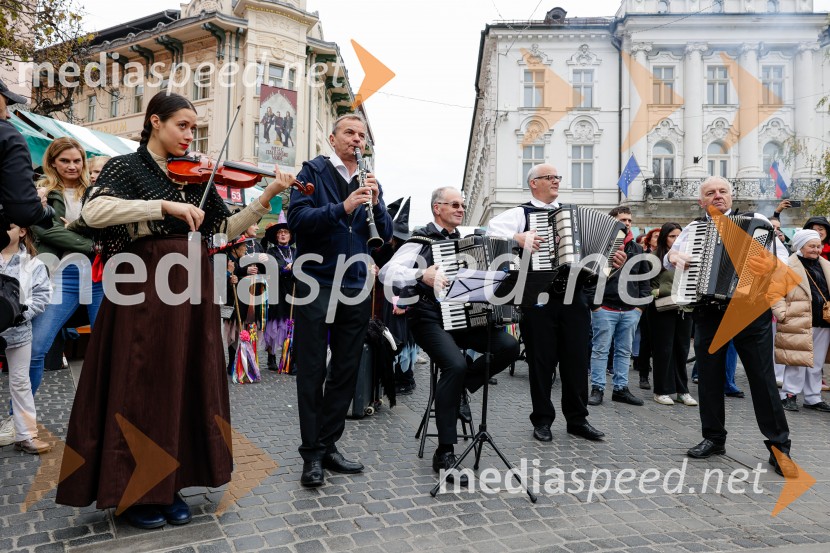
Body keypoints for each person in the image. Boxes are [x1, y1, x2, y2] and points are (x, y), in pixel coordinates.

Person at [55, 92, 294, 528]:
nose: (189, 134)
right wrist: (164, 205)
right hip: (145, 282)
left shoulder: (196, 178)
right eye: (182, 125)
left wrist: (269, 196)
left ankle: (172, 484)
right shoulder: (125, 166)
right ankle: (137, 491)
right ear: (155, 122)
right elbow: (95, 209)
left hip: (194, 283)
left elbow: (223, 228)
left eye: (192, 127)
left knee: (186, 379)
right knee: (142, 379)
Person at [381, 187, 520, 483]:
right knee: (454, 365)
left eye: (462, 204)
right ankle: (444, 451)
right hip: (428, 319)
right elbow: (387, 273)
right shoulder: (420, 240)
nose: (460, 208)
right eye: (454, 204)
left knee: (509, 345)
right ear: (437, 208)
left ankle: (460, 390)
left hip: (464, 319)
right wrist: (422, 275)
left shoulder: (471, 243)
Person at [287, 113, 393, 488]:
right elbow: (296, 218)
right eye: (349, 133)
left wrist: (377, 205)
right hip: (315, 281)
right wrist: (343, 207)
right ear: (332, 139)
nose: (356, 140)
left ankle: (328, 444)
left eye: (362, 135)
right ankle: (311, 455)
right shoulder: (312, 171)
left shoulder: (368, 179)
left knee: (346, 369)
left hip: (356, 283)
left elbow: (387, 234)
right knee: (313, 369)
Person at [665, 176, 796, 477]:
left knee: (762, 380)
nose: (717, 196)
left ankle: (780, 448)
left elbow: (783, 260)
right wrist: (674, 255)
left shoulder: (757, 221)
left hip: (750, 311)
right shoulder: (694, 228)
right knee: (709, 378)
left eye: (722, 191)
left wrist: (770, 265)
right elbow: (670, 259)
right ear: (701, 201)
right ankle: (713, 438)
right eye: (710, 193)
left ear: (731, 196)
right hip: (709, 312)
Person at [486, 163, 624, 443]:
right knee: (541, 362)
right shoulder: (519, 214)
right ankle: (542, 420)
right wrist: (517, 237)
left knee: (576, 361)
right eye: (549, 177)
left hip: (575, 297)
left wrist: (613, 263)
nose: (555, 181)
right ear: (533, 183)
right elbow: (488, 234)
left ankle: (577, 419)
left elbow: (596, 263)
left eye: (557, 177)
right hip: (538, 297)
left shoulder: (574, 215)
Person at [30, 138, 103, 390]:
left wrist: (68, 229)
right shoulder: (43, 192)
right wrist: (89, 244)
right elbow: (45, 230)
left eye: (76, 160)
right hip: (62, 273)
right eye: (64, 160)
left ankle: (103, 419)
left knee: (105, 350)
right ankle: (17, 417)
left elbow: (106, 230)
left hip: (98, 275)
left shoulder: (97, 192)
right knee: (36, 346)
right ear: (52, 162)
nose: (72, 166)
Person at [588, 206, 651, 407]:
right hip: (604, 308)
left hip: (630, 310)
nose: (627, 223)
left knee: (624, 351)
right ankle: (597, 389)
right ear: (612, 222)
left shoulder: (637, 249)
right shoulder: (601, 247)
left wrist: (640, 308)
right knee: (600, 350)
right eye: (623, 219)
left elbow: (644, 281)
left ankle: (620, 389)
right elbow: (590, 279)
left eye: (630, 220)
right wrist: (595, 305)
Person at [0, 224, 52, 453]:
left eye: (8, 226)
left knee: (21, 382)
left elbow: (41, 296)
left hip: (18, 332)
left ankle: (26, 435)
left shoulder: (33, 264)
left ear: (22, 232)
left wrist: (21, 314)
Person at [773, 229, 830, 413]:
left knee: (817, 362)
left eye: (818, 246)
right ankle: (789, 394)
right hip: (797, 318)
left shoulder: (826, 265)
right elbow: (774, 293)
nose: (816, 250)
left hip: (823, 320)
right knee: (796, 360)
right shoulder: (788, 265)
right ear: (800, 246)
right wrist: (783, 314)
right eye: (811, 246)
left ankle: (813, 397)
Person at [648, 222, 697, 406]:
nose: (676, 240)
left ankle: (682, 390)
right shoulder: (654, 258)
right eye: (672, 236)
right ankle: (661, 390)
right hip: (662, 309)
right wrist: (664, 292)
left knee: (682, 350)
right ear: (664, 238)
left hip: (685, 309)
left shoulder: (689, 258)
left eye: (679, 236)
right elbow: (648, 287)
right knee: (664, 350)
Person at [0, 78, 55, 239]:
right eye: (6, 103)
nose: (9, 115)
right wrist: (37, 204)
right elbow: (24, 212)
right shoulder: (7, 135)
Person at [261, 216, 296, 372]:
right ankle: (271, 357)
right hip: (277, 290)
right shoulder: (271, 251)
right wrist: (285, 268)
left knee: (290, 322)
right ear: (276, 236)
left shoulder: (295, 251)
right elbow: (271, 267)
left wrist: (294, 267)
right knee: (275, 322)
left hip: (293, 290)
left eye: (285, 232)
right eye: (280, 232)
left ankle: (287, 355)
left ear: (290, 235)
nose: (282, 235)